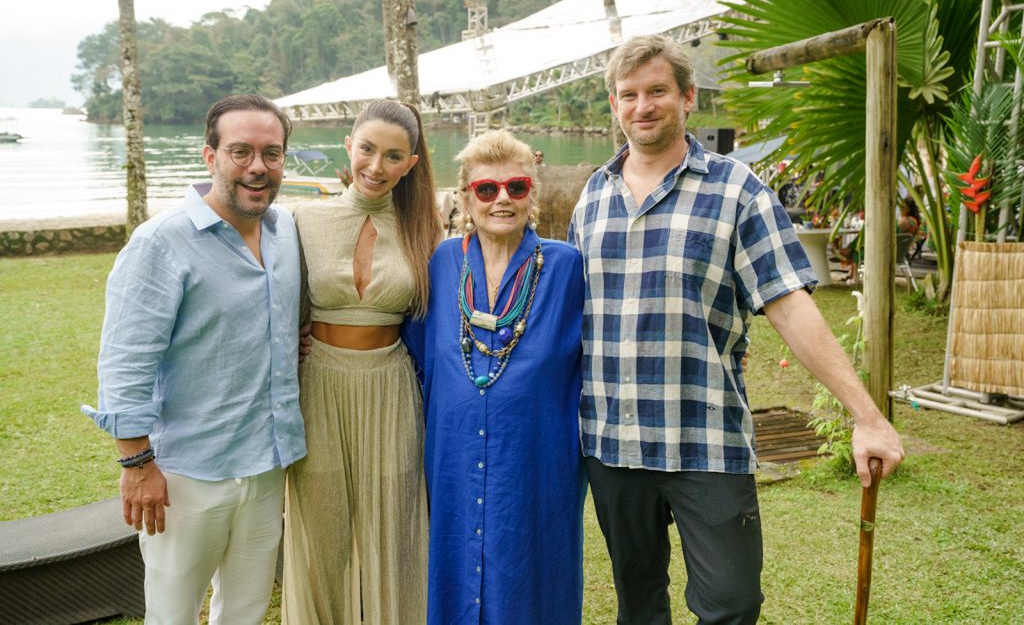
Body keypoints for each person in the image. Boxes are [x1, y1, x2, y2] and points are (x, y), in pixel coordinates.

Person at [567, 34, 905, 624]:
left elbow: (791, 306)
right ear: (615, 106)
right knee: (637, 600)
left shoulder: (738, 190)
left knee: (731, 604)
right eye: (628, 95)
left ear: (688, 97)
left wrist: (866, 415)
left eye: (657, 91)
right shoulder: (591, 198)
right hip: (612, 445)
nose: (642, 106)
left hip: (706, 440)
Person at [81, 94, 306, 624]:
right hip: (187, 474)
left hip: (268, 464)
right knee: (173, 613)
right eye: (241, 151)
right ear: (209, 157)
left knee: (245, 612)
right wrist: (137, 464)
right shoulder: (160, 243)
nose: (258, 166)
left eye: (271, 154)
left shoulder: (287, 234)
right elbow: (125, 362)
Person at [403, 129, 586, 624]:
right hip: (454, 457)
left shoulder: (567, 267)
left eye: (517, 187)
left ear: (533, 195)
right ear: (466, 197)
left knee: (533, 573)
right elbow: (415, 348)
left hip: (536, 460)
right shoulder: (442, 263)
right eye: (487, 189)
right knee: (456, 565)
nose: (502, 199)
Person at [281, 100, 441, 624]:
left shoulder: (423, 230)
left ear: (411, 164)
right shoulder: (303, 218)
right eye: (368, 149)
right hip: (319, 383)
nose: (376, 166)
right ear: (349, 147)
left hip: (391, 387)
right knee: (321, 525)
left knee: (394, 523)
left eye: (393, 156)